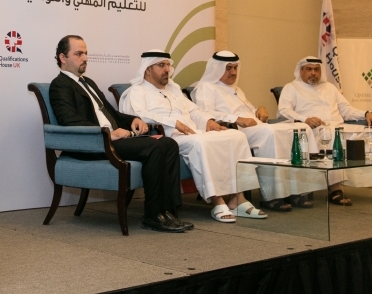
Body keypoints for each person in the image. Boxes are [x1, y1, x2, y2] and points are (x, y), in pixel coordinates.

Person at [49, 36, 193, 233]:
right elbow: (69, 121)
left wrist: (132, 120)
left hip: (113, 139)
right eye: (79, 54)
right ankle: (152, 216)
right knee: (153, 146)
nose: (85, 58)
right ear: (63, 57)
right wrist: (109, 133)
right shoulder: (59, 85)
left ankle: (168, 211)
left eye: (86, 53)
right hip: (95, 144)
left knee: (169, 144)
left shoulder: (87, 82)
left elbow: (111, 113)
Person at [119, 50, 266, 223]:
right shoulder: (136, 91)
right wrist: (173, 122)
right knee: (200, 143)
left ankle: (238, 199)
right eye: (161, 65)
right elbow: (137, 116)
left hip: (193, 132)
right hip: (168, 138)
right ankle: (217, 200)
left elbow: (194, 111)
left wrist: (208, 121)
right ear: (148, 69)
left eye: (168, 65)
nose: (167, 69)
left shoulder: (173, 89)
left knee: (236, 136)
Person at [192, 51, 319, 211]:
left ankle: (297, 190)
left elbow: (248, 110)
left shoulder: (235, 89)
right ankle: (272, 195)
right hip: (234, 130)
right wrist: (236, 119)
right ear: (216, 68)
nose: (233, 72)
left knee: (300, 129)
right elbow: (206, 114)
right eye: (228, 68)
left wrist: (260, 108)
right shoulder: (206, 88)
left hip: (255, 126)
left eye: (235, 68)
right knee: (270, 133)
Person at [278, 56, 372, 205]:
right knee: (334, 135)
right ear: (301, 71)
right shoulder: (292, 88)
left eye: (316, 69)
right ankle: (335, 188)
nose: (313, 73)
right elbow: (283, 111)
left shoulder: (330, 88)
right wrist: (305, 119)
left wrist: (366, 113)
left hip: (338, 125)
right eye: (309, 69)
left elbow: (346, 110)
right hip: (313, 130)